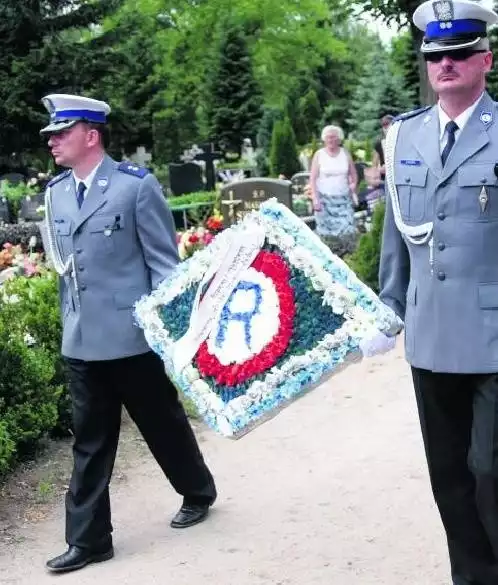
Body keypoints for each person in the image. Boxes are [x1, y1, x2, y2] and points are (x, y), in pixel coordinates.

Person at [39, 94, 217, 573]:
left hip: (132, 337)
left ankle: (197, 491)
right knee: (90, 441)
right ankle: (90, 540)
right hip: (82, 339)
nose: (52, 141)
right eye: (52, 134)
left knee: (162, 423)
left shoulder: (134, 187)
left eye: (62, 132)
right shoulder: (54, 192)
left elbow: (164, 264)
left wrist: (170, 328)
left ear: (91, 135)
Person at [379, 1, 498, 583]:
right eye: (435, 55)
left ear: (485, 60)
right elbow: (395, 232)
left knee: (491, 472)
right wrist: (388, 303)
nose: (444, 64)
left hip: (494, 336)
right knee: (449, 476)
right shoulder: (403, 135)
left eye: (457, 54)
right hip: (429, 339)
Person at [309, 125, 358, 254]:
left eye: (334, 137)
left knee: (348, 230)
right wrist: (315, 198)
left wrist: (353, 185)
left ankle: (348, 256)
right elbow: (312, 179)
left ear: (339, 139)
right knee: (326, 235)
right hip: (324, 200)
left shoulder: (345, 153)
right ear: (324, 139)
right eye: (329, 137)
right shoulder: (319, 155)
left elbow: (353, 174)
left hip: (343, 199)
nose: (331, 140)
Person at [372, 114, 394, 180]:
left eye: (387, 125)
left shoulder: (400, 142)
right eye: (384, 126)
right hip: (384, 178)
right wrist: (379, 170)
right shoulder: (379, 143)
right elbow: (374, 165)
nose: (386, 129)